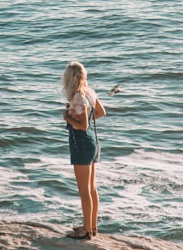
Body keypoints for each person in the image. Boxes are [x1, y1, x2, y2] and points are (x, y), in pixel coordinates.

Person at [61, 60, 106, 239]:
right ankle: (92, 226)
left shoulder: (77, 96)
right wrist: (83, 114)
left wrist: (68, 118)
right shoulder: (89, 92)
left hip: (81, 144)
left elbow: (83, 125)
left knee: (84, 190)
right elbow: (102, 112)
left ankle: (86, 231)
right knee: (92, 189)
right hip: (93, 142)